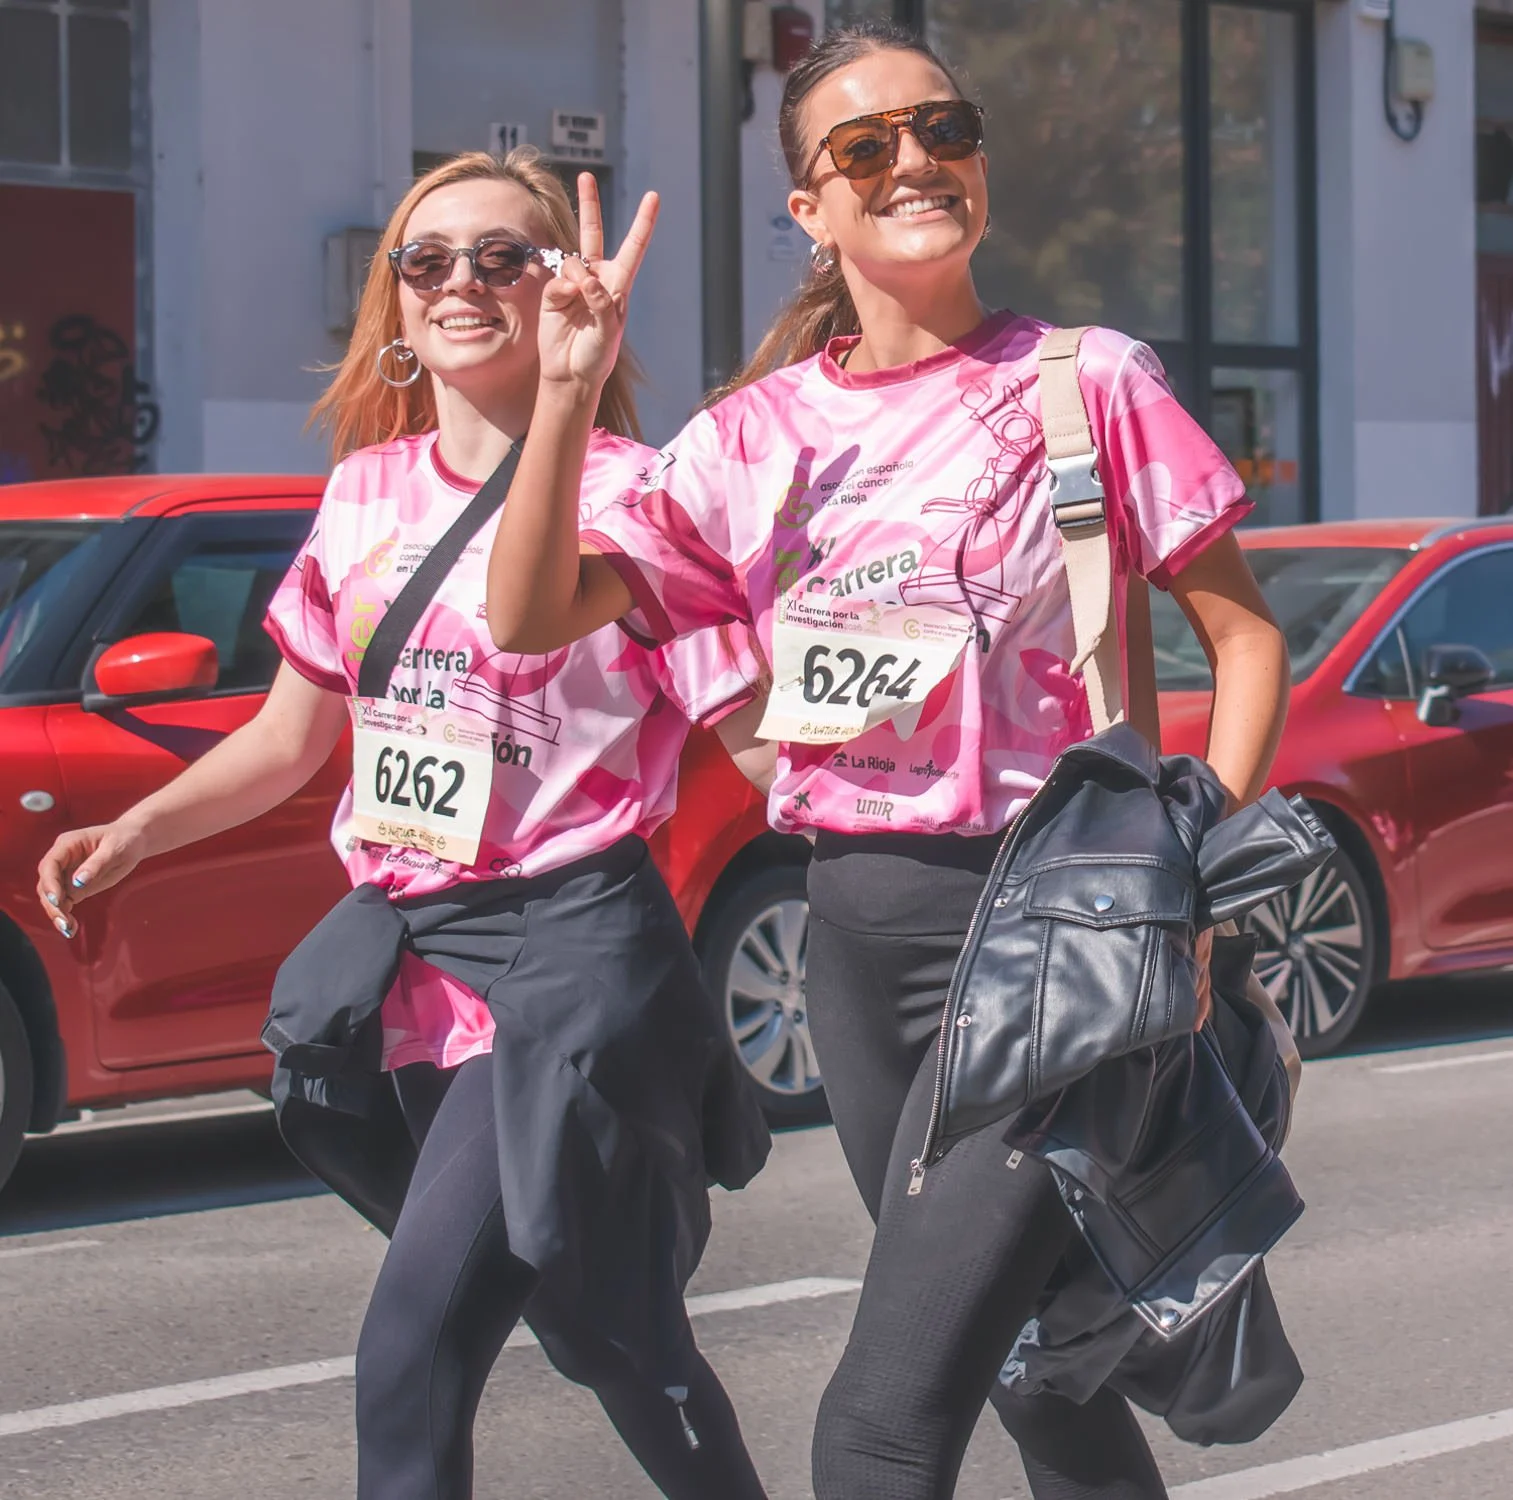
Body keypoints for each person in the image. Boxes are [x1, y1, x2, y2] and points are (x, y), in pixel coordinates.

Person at [477, 23, 1292, 1500]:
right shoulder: (751, 441)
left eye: (944, 129)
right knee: (1035, 1372)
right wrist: (564, 389)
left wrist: (1187, 862)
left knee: (879, 1422)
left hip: (1057, 930)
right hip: (856, 934)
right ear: (812, 207)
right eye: (866, 147)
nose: (914, 160)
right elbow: (530, 615)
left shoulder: (1084, 382)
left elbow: (1242, 640)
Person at [34, 148, 774, 1500]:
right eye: (426, 260)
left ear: (566, 291)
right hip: (410, 963)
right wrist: (133, 835)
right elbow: (288, 739)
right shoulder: (366, 495)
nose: (461, 283)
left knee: (411, 1345)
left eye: (506, 256)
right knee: (612, 1332)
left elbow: (752, 744)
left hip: (565, 966)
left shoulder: (643, 498)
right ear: (394, 300)